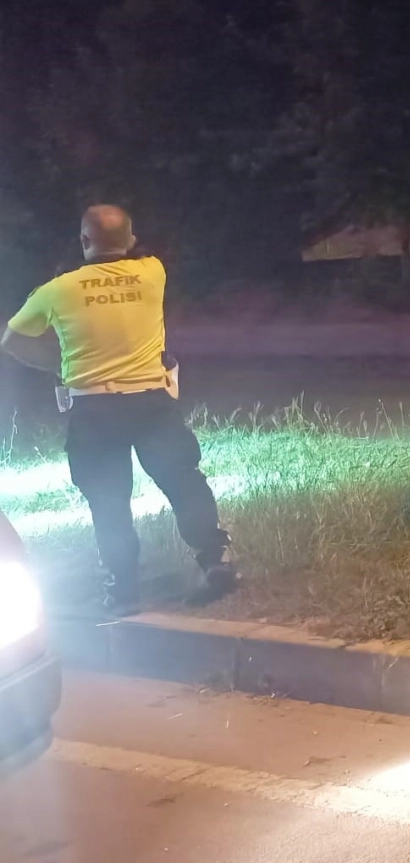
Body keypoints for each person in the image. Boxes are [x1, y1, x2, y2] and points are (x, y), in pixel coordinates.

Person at [2, 205, 236, 614]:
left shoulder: (57, 290)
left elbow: (12, 339)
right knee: (183, 480)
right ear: (130, 240)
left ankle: (123, 589)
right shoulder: (153, 273)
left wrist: (57, 365)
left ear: (83, 240)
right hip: (152, 403)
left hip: (94, 409)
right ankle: (216, 560)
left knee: (108, 499)